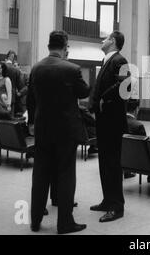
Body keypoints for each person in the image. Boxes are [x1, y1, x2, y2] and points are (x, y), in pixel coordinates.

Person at [28, 30, 90, 234]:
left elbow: (31, 100)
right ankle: (65, 223)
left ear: (48, 46)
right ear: (65, 47)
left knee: (40, 175)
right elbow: (84, 92)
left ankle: (35, 221)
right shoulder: (71, 69)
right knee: (65, 174)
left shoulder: (36, 68)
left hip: (42, 129)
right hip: (65, 130)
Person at [90, 31, 129, 223]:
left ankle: (116, 206)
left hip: (112, 123)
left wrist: (104, 98)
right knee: (104, 163)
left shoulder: (120, 60)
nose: (102, 40)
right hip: (105, 122)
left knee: (112, 165)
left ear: (113, 41)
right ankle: (107, 200)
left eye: (105, 38)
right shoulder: (108, 61)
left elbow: (125, 86)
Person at [4, 51, 23, 117]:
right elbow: (20, 85)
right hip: (11, 96)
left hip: (0, 95)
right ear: (13, 58)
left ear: (7, 57)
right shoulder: (16, 70)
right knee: (10, 117)